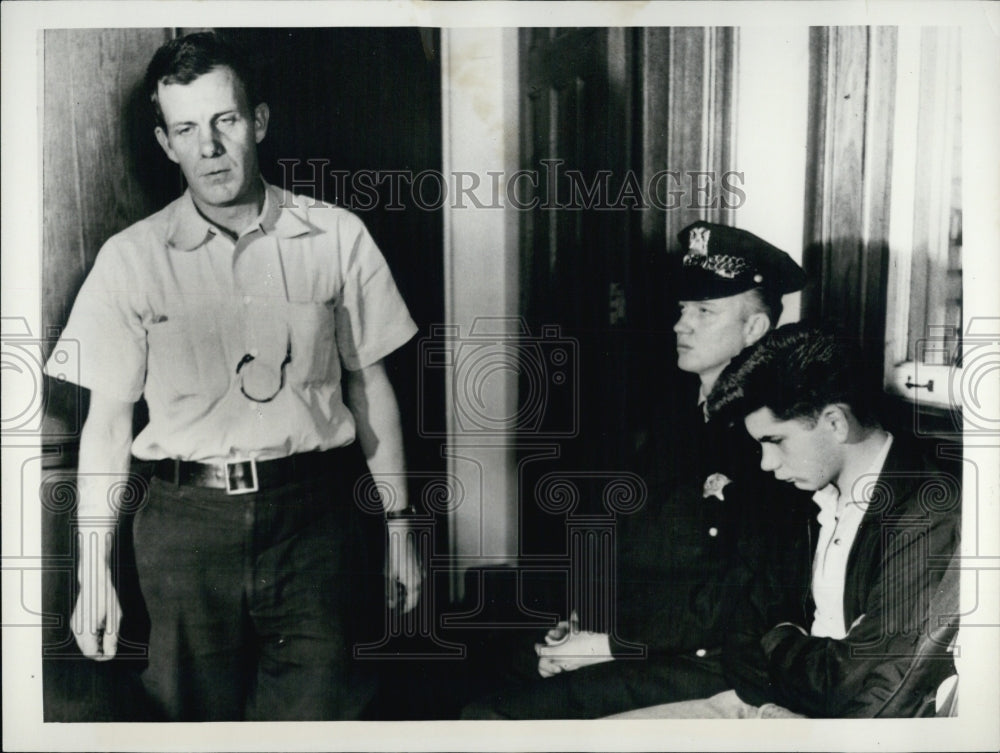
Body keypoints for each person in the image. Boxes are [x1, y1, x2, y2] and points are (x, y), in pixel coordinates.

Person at [44, 32, 421, 721]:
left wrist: (399, 525)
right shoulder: (128, 260)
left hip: (316, 524)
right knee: (187, 728)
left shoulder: (337, 236)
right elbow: (105, 428)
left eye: (226, 121)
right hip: (185, 532)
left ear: (260, 122)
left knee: (323, 722)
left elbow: (372, 389)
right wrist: (90, 568)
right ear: (165, 144)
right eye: (186, 129)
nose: (210, 148)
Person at [462, 221, 810, 718]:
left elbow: (735, 596)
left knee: (491, 718)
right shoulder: (676, 415)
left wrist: (609, 643)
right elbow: (632, 541)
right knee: (474, 671)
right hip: (633, 634)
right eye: (682, 310)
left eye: (704, 312)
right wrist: (580, 622)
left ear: (754, 329)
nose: (680, 325)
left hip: (705, 659)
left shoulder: (769, 438)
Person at [610, 324, 961, 718]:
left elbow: (866, 687)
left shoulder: (929, 514)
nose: (766, 464)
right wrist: (797, 649)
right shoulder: (805, 499)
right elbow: (740, 636)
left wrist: (777, 637)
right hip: (768, 701)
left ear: (835, 423)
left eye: (774, 442)